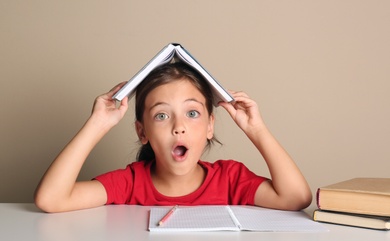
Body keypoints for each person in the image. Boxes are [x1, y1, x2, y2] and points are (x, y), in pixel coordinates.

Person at [34, 62, 312, 213]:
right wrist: (97, 124)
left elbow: (296, 197)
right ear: (142, 132)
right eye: (162, 116)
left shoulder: (230, 179)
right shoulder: (130, 183)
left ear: (209, 127)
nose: (179, 127)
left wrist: (256, 129)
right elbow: (51, 200)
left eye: (192, 113)